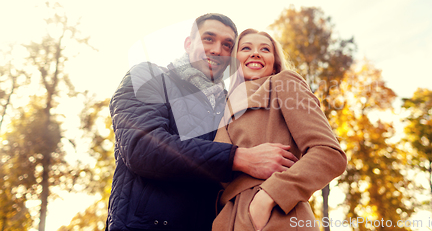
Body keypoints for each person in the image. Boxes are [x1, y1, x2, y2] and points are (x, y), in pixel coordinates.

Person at [106, 14, 299, 231]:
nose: (217, 50)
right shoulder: (150, 76)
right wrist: (238, 157)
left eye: (227, 45)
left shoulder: (230, 105)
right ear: (189, 44)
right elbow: (142, 148)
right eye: (208, 39)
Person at [212, 29, 348, 231]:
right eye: (246, 48)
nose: (255, 53)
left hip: (277, 217)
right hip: (227, 220)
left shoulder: (283, 83)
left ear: (275, 61)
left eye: (265, 49)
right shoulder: (221, 106)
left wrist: (268, 198)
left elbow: (329, 154)